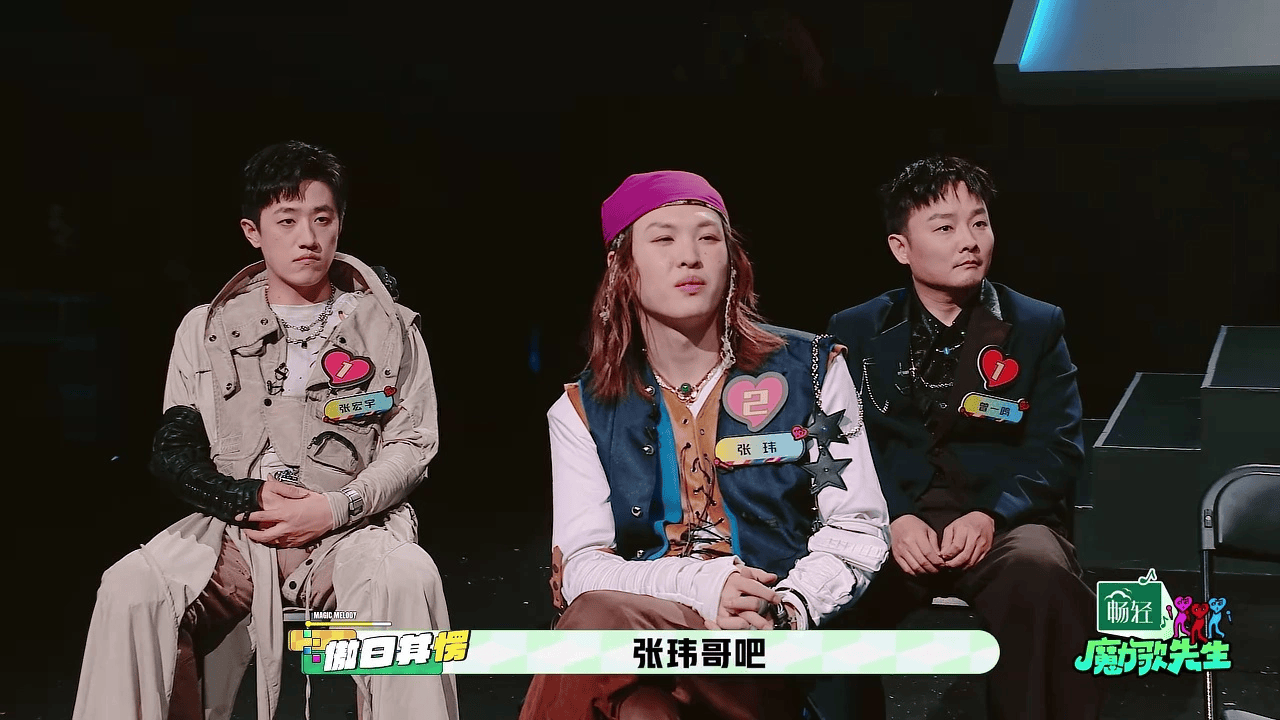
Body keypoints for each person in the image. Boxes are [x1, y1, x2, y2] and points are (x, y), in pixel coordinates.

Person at [72, 141, 460, 720]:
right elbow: (175, 453)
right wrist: (246, 498)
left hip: (351, 528)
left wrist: (334, 508)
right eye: (287, 220)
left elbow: (412, 444)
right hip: (234, 530)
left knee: (408, 576)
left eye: (322, 219)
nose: (308, 238)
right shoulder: (205, 329)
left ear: (340, 223)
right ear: (252, 231)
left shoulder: (390, 329)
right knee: (131, 586)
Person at [520, 170, 890, 720]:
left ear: (732, 261)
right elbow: (581, 568)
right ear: (622, 266)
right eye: (664, 239)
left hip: (774, 646)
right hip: (649, 639)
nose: (690, 257)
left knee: (594, 631)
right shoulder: (583, 408)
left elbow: (858, 526)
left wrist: (786, 609)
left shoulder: (811, 370)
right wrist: (701, 585)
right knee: (636, 702)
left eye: (708, 237)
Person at [826, 156, 1103, 720]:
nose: (969, 241)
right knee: (826, 583)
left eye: (979, 222)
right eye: (945, 227)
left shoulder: (1036, 325)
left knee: (1040, 571)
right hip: (890, 520)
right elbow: (839, 443)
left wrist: (991, 515)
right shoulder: (855, 329)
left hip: (1003, 521)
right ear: (901, 247)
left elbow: (1058, 446)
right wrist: (893, 517)